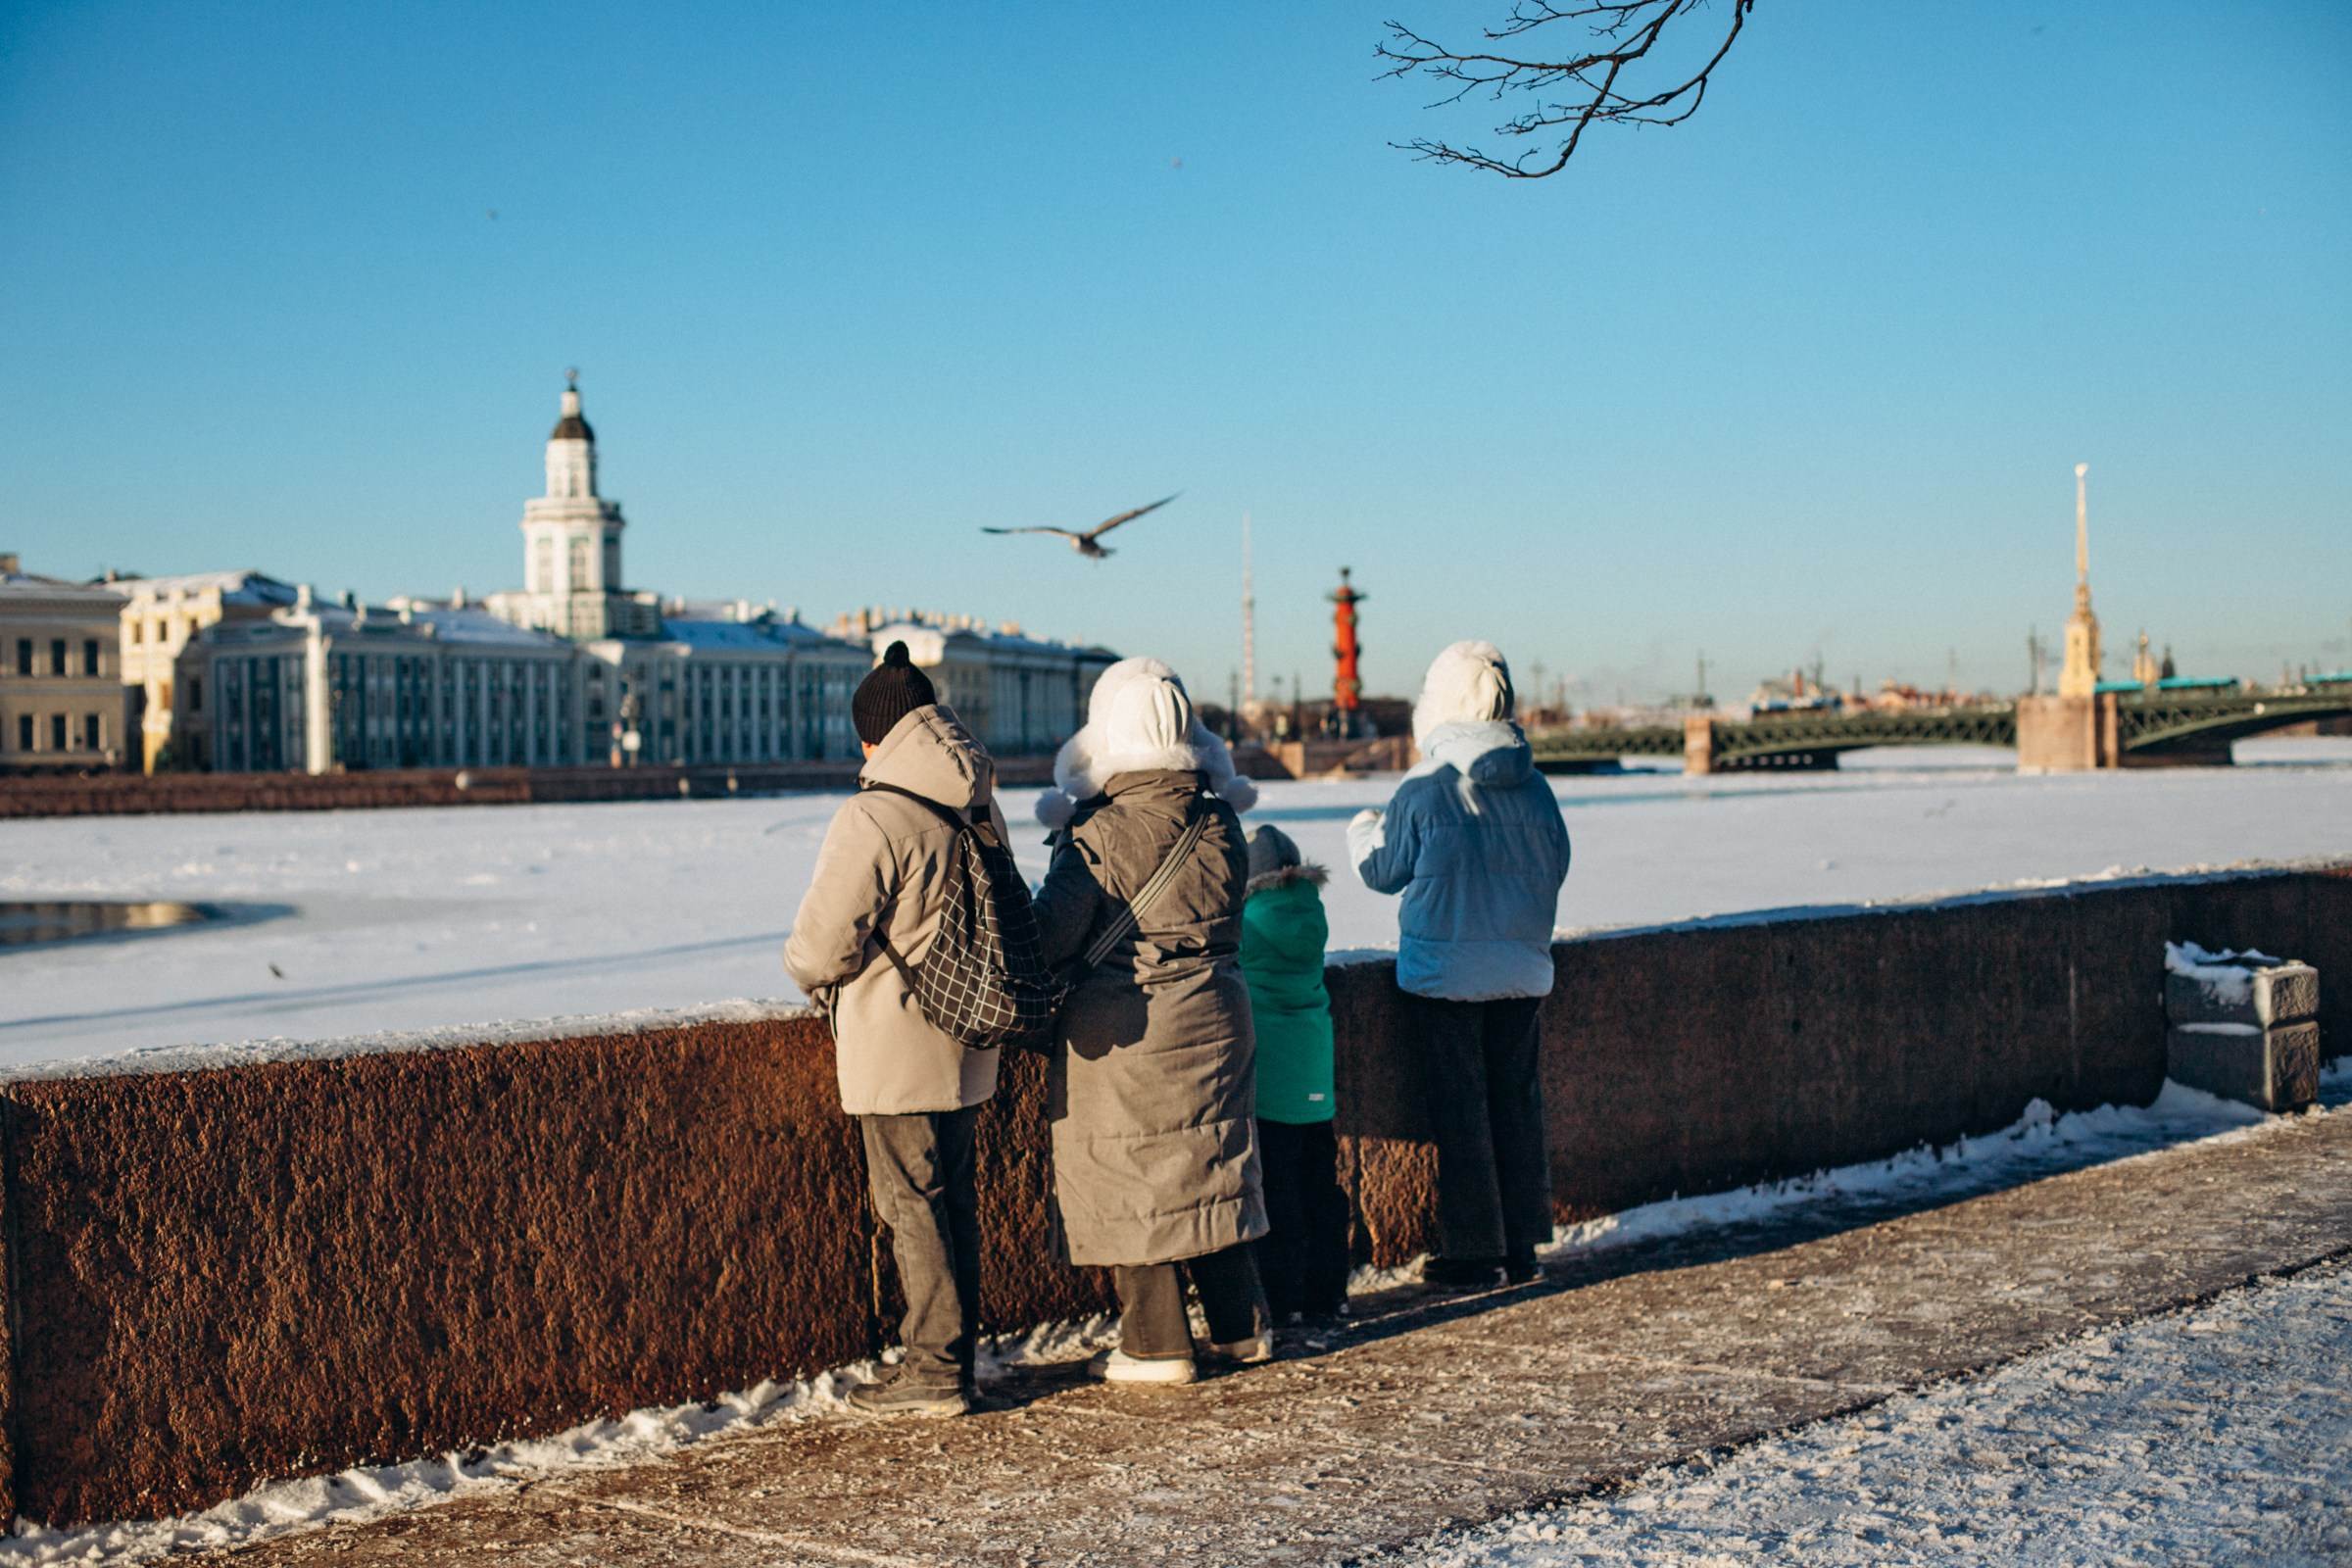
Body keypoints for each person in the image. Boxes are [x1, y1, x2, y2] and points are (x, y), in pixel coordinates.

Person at [1029, 663, 1269, 1384]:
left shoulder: (1098, 832)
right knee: (1210, 1162)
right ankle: (1240, 1327)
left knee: (1132, 1170)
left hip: (1129, 1024)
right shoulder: (1220, 819)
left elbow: (1049, 939)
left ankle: (1156, 1343)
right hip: (1218, 1011)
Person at [784, 642, 1004, 1417]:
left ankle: (935, 1371)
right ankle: (954, 1356)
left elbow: (821, 947)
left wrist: (805, 973)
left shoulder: (875, 813)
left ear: (876, 736)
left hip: (898, 1038)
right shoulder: (975, 798)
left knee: (912, 1203)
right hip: (971, 1031)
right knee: (954, 1201)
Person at [1346, 640, 1571, 1291]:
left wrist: (1365, 827)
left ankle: (1475, 1253)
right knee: (1516, 1106)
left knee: (1462, 1112)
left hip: (1445, 978)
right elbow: (1556, 863)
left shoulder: (1425, 788)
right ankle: (1523, 1246)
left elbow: (1382, 872)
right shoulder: (1536, 788)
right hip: (1523, 971)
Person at [1238, 823, 1350, 1327]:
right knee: (1322, 1187)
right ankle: (1330, 1294)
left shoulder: (1247, 920)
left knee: (1278, 1191)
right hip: (1314, 1071)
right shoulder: (1313, 913)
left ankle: (1286, 1301)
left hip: (1268, 1076)